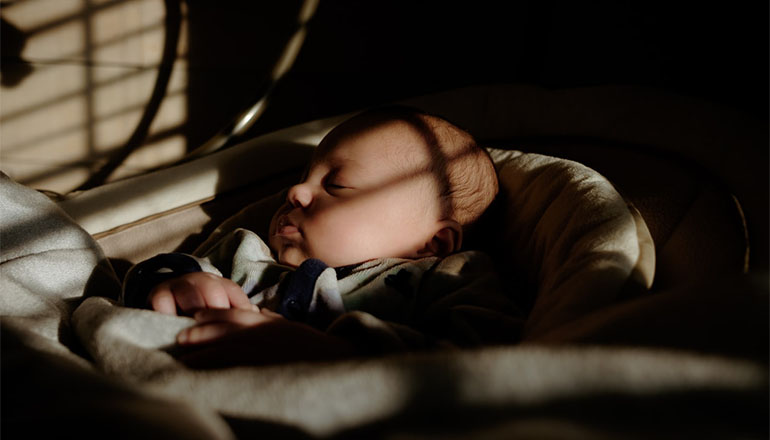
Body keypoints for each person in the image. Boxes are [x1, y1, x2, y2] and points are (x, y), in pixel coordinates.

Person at [121, 106, 515, 366]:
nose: (296, 192)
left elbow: (478, 369)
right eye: (303, 178)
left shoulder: (446, 280)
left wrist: (336, 355)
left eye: (337, 184)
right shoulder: (247, 253)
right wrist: (179, 283)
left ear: (434, 244)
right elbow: (144, 282)